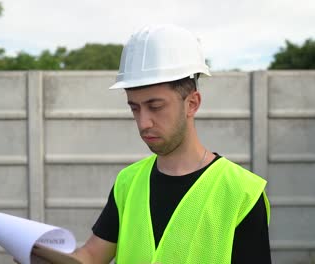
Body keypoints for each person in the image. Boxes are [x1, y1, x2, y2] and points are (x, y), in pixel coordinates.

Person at [43, 24, 270, 264]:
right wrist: (40, 255)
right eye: (134, 108)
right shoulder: (128, 183)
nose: (143, 122)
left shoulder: (241, 193)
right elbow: (90, 256)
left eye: (155, 106)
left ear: (192, 103)